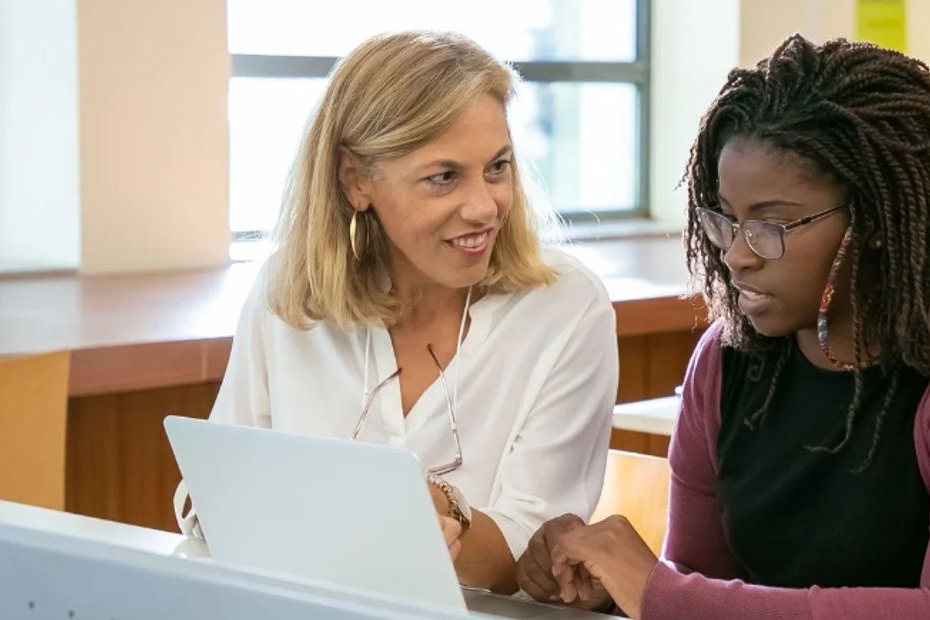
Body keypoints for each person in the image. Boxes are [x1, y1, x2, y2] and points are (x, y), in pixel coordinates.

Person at [516, 35, 930, 618]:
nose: (736, 256)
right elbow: (700, 589)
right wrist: (614, 593)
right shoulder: (726, 360)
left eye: (772, 225)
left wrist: (658, 592)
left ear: (874, 218)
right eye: (725, 219)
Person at [174, 31, 618, 594]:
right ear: (356, 179)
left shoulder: (566, 308)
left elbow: (534, 560)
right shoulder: (289, 294)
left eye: (498, 167)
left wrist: (443, 518)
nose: (484, 206)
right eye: (443, 177)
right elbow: (209, 497)